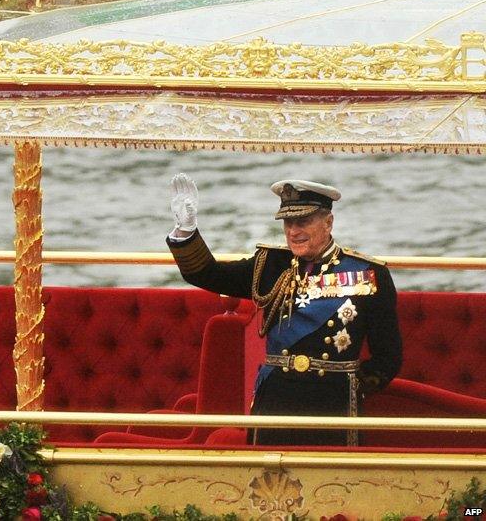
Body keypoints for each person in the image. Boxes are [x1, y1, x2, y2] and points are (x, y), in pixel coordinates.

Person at [166, 173, 402, 446]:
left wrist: (352, 389)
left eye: (303, 221)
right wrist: (186, 231)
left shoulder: (367, 273)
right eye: (288, 222)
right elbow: (208, 274)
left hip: (332, 403)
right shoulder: (270, 265)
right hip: (276, 397)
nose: (293, 231)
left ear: (328, 222)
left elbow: (389, 356)